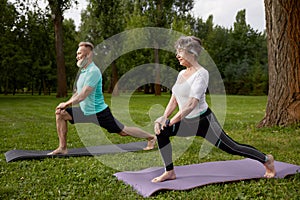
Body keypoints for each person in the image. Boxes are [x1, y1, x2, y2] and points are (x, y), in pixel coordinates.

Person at [151, 36, 276, 182]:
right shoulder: (181, 74)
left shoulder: (202, 73)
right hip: (185, 121)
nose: (177, 55)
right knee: (161, 132)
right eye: (177, 51)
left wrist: (171, 122)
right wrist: (164, 118)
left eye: (180, 51)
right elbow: (174, 97)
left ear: (192, 53)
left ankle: (266, 159)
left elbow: (191, 104)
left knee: (232, 147)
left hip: (204, 122)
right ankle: (169, 172)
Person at [48, 41, 156, 155]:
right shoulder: (83, 71)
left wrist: (66, 104)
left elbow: (84, 94)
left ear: (88, 55)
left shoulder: (93, 71)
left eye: (79, 53)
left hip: (99, 113)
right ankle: (62, 148)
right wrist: (67, 102)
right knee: (60, 114)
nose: (77, 56)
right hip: (85, 111)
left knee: (122, 131)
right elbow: (77, 93)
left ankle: (151, 137)